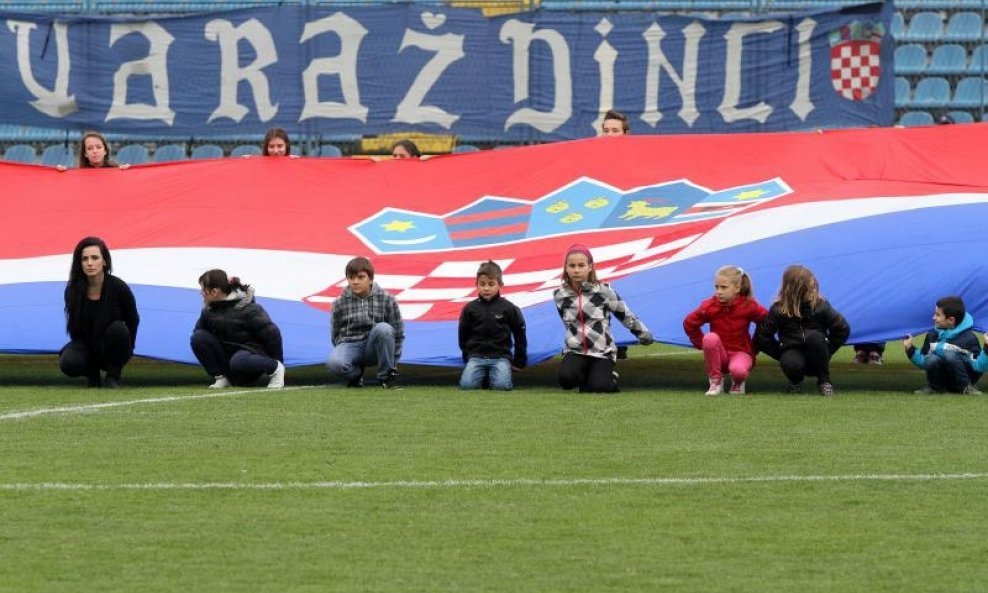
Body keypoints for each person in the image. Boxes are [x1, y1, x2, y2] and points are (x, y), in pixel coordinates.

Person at [554, 244, 653, 393]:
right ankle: (588, 375)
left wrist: (643, 334)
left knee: (600, 387)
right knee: (566, 380)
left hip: (602, 351)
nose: (576, 270)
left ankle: (608, 377)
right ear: (566, 268)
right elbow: (566, 322)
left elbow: (625, 315)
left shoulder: (604, 291)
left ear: (590, 267)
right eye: (572, 265)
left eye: (581, 265)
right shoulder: (559, 295)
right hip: (575, 351)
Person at [755, 265, 850, 396]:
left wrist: (827, 350)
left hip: (817, 353)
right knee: (790, 362)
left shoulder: (821, 306)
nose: (814, 291)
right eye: (810, 289)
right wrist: (781, 353)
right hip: (793, 353)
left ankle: (824, 381)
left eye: (814, 287)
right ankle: (795, 381)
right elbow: (763, 337)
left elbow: (842, 328)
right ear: (796, 291)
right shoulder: (778, 310)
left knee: (816, 338)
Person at [59, 237, 139, 388]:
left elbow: (133, 319)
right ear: (79, 263)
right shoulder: (72, 290)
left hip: (111, 343)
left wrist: (129, 346)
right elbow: (76, 330)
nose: (89, 263)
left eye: (95, 258)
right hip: (86, 344)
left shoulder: (119, 287)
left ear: (104, 261)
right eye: (84, 259)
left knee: (119, 329)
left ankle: (113, 376)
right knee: (68, 363)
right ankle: (92, 375)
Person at [190, 270, 285, 389]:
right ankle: (222, 378)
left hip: (248, 358)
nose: (201, 294)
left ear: (214, 292)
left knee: (238, 360)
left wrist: (277, 361)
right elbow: (200, 335)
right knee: (198, 337)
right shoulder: (208, 311)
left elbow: (272, 335)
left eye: (203, 290)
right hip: (229, 361)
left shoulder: (251, 310)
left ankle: (276, 369)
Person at [683, 265, 768, 395]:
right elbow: (689, 323)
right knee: (710, 338)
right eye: (716, 287)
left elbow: (766, 321)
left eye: (724, 287)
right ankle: (715, 381)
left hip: (741, 352)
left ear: (737, 288)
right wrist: (702, 344)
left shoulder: (748, 305)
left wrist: (755, 345)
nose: (719, 292)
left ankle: (738, 382)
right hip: (719, 355)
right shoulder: (709, 306)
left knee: (738, 371)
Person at [328, 256, 404, 389]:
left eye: (360, 277)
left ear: (370, 278)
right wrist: (342, 352)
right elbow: (335, 334)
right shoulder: (339, 303)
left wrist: (393, 362)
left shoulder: (388, 299)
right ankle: (356, 375)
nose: (355, 282)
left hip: (375, 346)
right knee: (334, 364)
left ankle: (386, 376)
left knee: (384, 329)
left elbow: (397, 333)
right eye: (351, 278)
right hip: (349, 344)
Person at [458, 261, 527, 391]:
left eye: (491, 284)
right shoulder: (469, 308)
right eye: (482, 284)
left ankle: (496, 375)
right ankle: (484, 375)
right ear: (476, 285)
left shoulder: (509, 308)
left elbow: (519, 334)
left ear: (500, 285)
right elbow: (463, 334)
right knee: (467, 386)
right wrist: (466, 356)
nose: (486, 288)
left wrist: (519, 361)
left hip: (501, 357)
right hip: (476, 357)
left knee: (501, 386)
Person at [904, 296, 982, 394]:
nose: (933, 318)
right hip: (944, 381)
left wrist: (987, 348)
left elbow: (979, 366)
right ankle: (935, 388)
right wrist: (910, 348)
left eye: (937, 315)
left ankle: (966, 387)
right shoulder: (932, 335)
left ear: (951, 320)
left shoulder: (969, 338)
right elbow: (924, 361)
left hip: (964, 379)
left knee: (950, 354)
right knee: (932, 358)